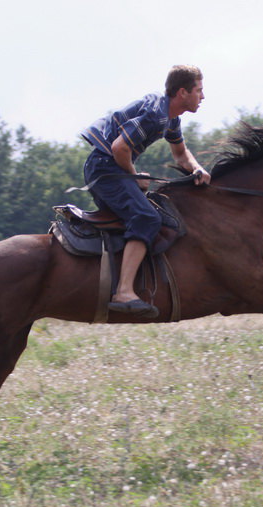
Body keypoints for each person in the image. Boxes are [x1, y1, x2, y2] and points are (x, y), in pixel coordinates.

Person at [81, 65, 211, 318]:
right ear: (183, 92)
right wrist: (134, 176)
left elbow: (181, 153)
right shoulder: (157, 116)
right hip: (105, 168)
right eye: (199, 90)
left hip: (108, 167)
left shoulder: (171, 118)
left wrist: (197, 168)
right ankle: (123, 292)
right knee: (146, 217)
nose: (203, 97)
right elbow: (119, 148)